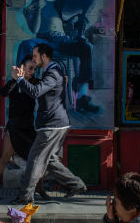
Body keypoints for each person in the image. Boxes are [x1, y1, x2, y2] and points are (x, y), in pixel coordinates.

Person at [10, 43, 87, 205]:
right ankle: (76, 185)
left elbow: (35, 92)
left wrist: (21, 79)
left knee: (35, 159)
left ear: (44, 56)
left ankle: (25, 195)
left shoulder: (52, 72)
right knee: (49, 159)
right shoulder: (51, 71)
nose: (33, 59)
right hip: (55, 123)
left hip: (52, 125)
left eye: (35, 56)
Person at [0, 55, 50, 200]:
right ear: (22, 67)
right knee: (5, 157)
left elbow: (47, 88)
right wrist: (15, 79)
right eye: (30, 68)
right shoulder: (14, 82)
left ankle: (39, 187)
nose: (32, 71)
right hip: (14, 127)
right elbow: (3, 93)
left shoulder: (35, 82)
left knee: (39, 158)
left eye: (34, 69)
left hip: (28, 127)